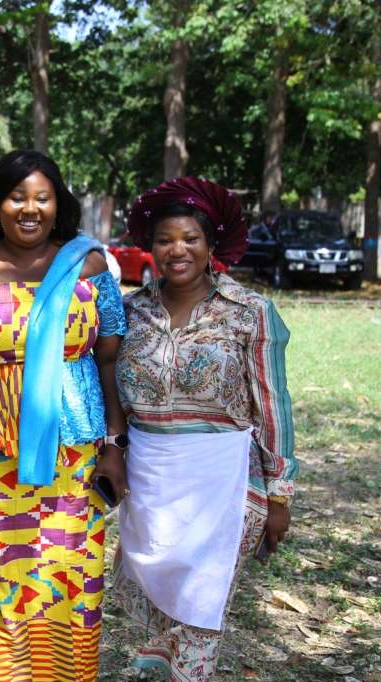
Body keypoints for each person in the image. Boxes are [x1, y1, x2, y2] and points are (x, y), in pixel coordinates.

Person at [0, 150, 128, 681]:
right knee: (6, 575)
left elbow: (108, 361)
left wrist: (114, 446)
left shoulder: (89, 267)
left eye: (42, 198)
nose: (30, 208)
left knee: (72, 573)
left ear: (57, 204)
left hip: (75, 454)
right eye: (17, 196)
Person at [110, 178, 297, 681]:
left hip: (223, 480)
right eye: (165, 239)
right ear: (150, 248)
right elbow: (111, 391)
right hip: (148, 476)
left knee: (204, 605)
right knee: (163, 601)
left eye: (191, 238)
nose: (178, 250)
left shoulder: (249, 313)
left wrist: (279, 497)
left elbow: (274, 406)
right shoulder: (128, 312)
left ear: (212, 245)